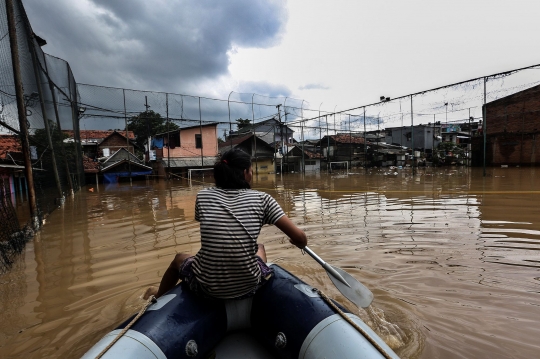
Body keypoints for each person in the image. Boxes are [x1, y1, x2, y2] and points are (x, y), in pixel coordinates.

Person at [150, 148, 307, 300]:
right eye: (251, 170)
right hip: (250, 287)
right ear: (245, 173)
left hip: (206, 288)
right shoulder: (263, 199)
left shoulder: (203, 196)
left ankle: (159, 295)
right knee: (260, 248)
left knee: (179, 258)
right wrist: (296, 241)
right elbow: (300, 238)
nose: (252, 173)